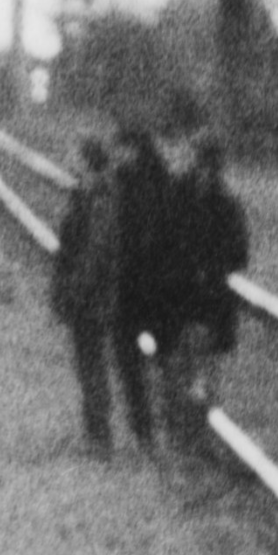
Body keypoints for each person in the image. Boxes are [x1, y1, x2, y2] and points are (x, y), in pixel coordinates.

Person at [164, 133, 249, 452]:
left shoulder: (187, 197)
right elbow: (239, 253)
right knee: (191, 372)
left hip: (197, 302)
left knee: (192, 372)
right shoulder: (218, 201)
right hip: (195, 300)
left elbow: (238, 253)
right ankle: (189, 437)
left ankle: (192, 438)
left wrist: (202, 266)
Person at [108, 125, 177, 453]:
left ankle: (145, 431)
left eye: (121, 149)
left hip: (134, 289)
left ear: (133, 149)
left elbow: (129, 237)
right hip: (158, 290)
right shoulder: (164, 181)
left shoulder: (129, 184)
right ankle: (161, 431)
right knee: (158, 362)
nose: (117, 155)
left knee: (130, 362)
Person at [52, 136, 116, 460]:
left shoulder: (100, 199)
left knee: (92, 364)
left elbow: (94, 252)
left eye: (75, 154)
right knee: (86, 363)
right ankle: (93, 433)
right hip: (83, 293)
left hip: (92, 296)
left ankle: (100, 437)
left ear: (88, 161)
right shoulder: (84, 194)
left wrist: (75, 291)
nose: (69, 157)